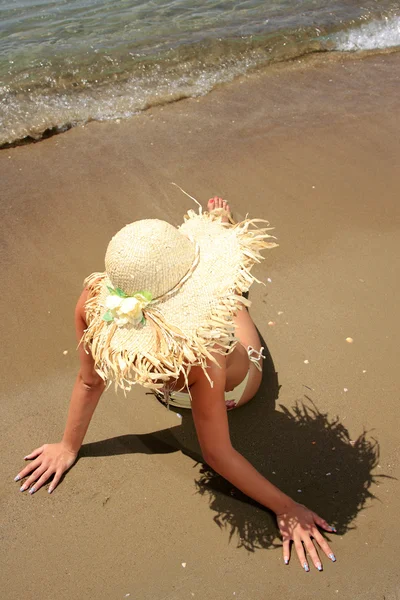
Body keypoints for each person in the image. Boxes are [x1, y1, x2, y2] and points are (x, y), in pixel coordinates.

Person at [14, 197, 337, 572]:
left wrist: (287, 507)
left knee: (235, 311)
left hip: (236, 381)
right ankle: (217, 249)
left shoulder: (202, 345)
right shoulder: (96, 304)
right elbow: (90, 381)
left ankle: (225, 255)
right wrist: (68, 446)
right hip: (188, 387)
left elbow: (216, 452)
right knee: (229, 304)